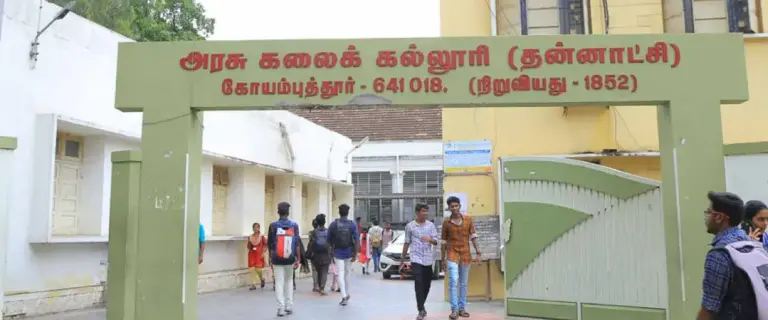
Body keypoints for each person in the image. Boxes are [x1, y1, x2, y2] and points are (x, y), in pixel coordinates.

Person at [698, 191, 757, 320]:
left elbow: (709, 307)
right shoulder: (749, 243)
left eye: (708, 212)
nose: (706, 217)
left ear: (719, 217)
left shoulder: (719, 254)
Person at [441, 196, 481, 319]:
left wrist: (478, 251)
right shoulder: (446, 223)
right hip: (452, 253)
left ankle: (462, 308)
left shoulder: (468, 220)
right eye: (452, 206)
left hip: (465, 254)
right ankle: (454, 310)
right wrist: (442, 259)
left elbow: (473, 236)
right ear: (449, 208)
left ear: (460, 206)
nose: (454, 208)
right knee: (453, 281)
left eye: (456, 206)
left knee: (463, 283)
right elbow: (443, 242)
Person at [401, 204, 439, 320]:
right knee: (418, 281)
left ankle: (422, 305)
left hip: (428, 259)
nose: (426, 213)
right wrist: (403, 259)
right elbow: (407, 242)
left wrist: (430, 240)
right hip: (416, 258)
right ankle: (421, 309)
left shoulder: (431, 225)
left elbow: (436, 241)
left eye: (427, 211)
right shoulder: (410, 226)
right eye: (423, 211)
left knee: (427, 284)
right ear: (417, 213)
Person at [267, 202, 301, 317]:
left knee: (279, 282)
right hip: (290, 257)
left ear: (278, 212)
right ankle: (289, 306)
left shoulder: (273, 226)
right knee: (289, 281)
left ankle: (280, 308)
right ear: (288, 212)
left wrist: (270, 258)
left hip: (277, 258)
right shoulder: (294, 225)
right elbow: (297, 243)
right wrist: (298, 258)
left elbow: (270, 244)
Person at [327, 204, 359, 306]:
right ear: (348, 212)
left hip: (337, 253)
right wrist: (355, 254)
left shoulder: (333, 224)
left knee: (340, 273)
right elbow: (357, 240)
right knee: (346, 274)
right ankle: (346, 293)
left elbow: (328, 240)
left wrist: (331, 251)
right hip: (349, 252)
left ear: (339, 212)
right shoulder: (352, 224)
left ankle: (344, 295)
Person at [307, 214, 332, 295]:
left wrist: (309, 253)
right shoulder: (328, 231)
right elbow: (331, 243)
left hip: (316, 254)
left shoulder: (314, 232)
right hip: (326, 254)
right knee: (324, 271)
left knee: (318, 270)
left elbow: (311, 243)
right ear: (324, 222)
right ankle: (322, 288)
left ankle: (317, 285)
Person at [247, 222, 267, 290]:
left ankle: (262, 279)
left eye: (257, 227)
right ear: (253, 228)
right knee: (251, 269)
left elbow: (265, 245)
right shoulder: (250, 236)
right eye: (254, 227)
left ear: (259, 228)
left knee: (258, 269)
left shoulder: (261, 236)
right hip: (252, 254)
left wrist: (263, 252)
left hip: (259, 254)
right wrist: (249, 241)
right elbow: (248, 246)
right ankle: (253, 284)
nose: (256, 228)